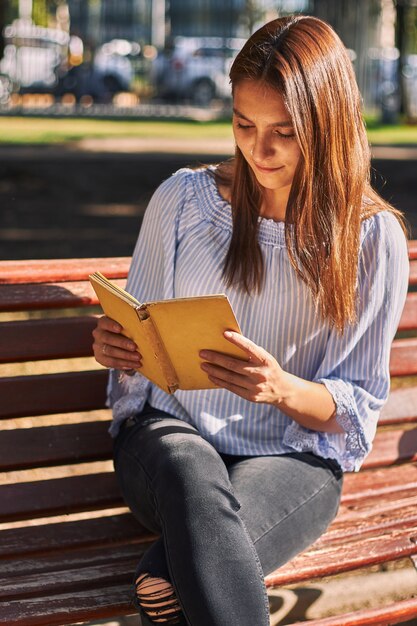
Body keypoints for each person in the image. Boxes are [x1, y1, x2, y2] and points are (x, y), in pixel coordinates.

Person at [92, 15, 409, 626]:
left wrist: (280, 387)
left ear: (328, 127)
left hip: (293, 459)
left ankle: (168, 582)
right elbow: (139, 342)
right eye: (243, 125)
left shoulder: (372, 239)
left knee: (171, 584)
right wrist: (120, 345)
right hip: (168, 439)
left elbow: (356, 404)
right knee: (193, 474)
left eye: (283, 133)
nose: (257, 151)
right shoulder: (183, 200)